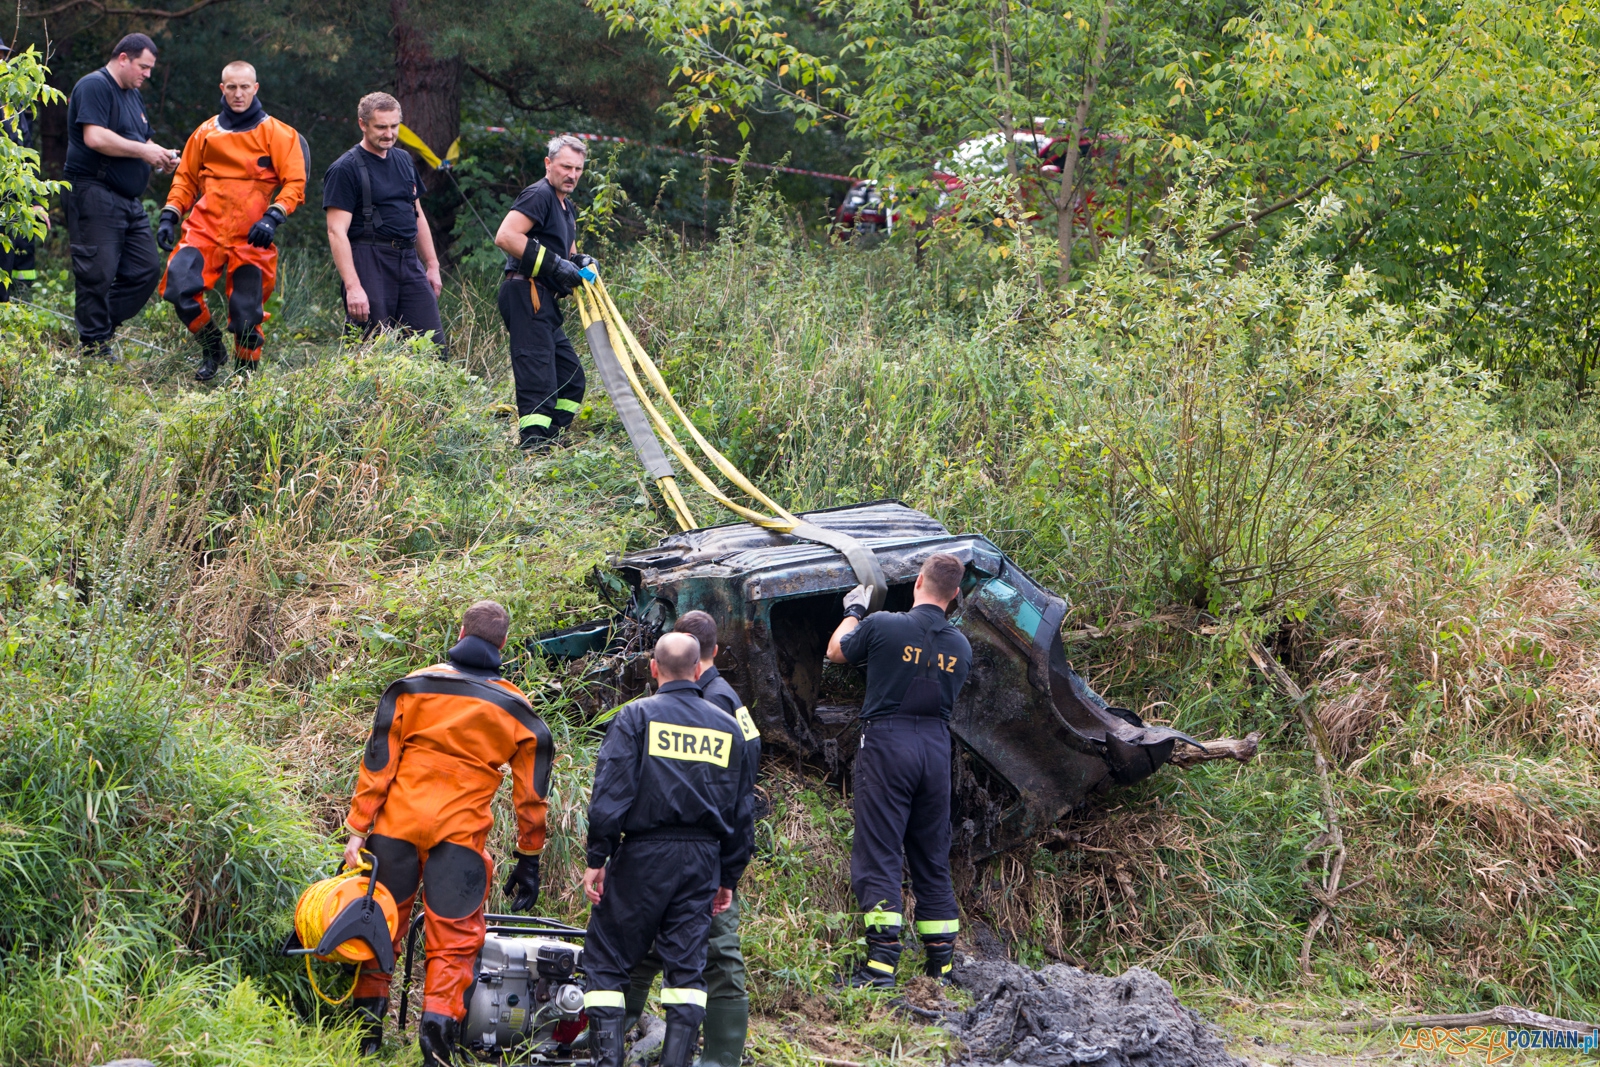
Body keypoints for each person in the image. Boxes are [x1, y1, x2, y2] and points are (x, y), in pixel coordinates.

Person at [341, 600, 553, 1064]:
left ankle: (365, 1038)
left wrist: (358, 828)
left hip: (394, 830)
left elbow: (378, 761)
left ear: (460, 631)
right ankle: (434, 1045)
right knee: (455, 941)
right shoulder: (517, 709)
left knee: (379, 921)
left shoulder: (412, 687)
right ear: (502, 644)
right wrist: (529, 856)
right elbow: (531, 795)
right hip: (458, 840)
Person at [582, 632, 756, 1067]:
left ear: (654, 668)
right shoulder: (729, 727)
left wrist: (596, 858)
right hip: (702, 861)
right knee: (687, 970)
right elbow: (742, 810)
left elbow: (610, 793)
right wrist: (728, 876)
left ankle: (608, 1061)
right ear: (699, 669)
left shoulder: (637, 716)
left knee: (606, 959)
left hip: (644, 855)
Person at [825, 553, 972, 988]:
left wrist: (854, 611)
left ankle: (881, 965)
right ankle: (941, 966)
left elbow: (836, 652)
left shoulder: (884, 624)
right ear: (956, 594)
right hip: (935, 750)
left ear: (919, 581)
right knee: (931, 854)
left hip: (889, 744)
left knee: (881, 848)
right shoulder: (960, 647)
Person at [156, 61, 308, 381]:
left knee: (246, 316)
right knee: (178, 286)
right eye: (231, 87)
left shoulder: (279, 134)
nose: (238, 94)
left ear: (256, 88)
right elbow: (185, 179)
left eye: (244, 87)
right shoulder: (205, 132)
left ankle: (242, 385)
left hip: (253, 235)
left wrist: (273, 216)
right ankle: (212, 347)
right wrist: (171, 213)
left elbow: (295, 182)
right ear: (222, 89)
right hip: (205, 228)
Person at [63, 32, 179, 358]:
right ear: (123, 58)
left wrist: (162, 156)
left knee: (145, 271)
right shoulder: (95, 86)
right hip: (94, 192)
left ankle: (98, 329)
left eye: (151, 69)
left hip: (128, 201)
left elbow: (143, 141)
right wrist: (144, 151)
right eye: (144, 67)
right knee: (96, 275)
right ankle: (94, 348)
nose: (148, 74)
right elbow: (95, 137)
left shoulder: (133, 95)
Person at [491, 135, 596, 451]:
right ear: (549, 164)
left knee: (571, 379)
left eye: (578, 169)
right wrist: (554, 265)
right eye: (566, 166)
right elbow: (506, 236)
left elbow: (569, 254)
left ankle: (552, 441)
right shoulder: (539, 194)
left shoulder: (567, 206)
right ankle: (533, 453)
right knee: (539, 383)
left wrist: (582, 262)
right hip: (526, 294)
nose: (572, 175)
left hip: (546, 302)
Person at [323, 92, 446, 355]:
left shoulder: (403, 159)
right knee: (371, 349)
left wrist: (433, 265)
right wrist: (353, 286)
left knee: (432, 348)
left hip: (407, 259)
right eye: (381, 127)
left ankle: (433, 397)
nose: (389, 134)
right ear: (362, 124)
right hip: (369, 259)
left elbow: (418, 213)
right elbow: (336, 231)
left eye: (394, 126)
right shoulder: (344, 168)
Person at [0, 39, 41, 304]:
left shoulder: (11, 106)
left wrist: (35, 201)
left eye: (3, 57)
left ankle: (12, 311)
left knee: (9, 259)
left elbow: (25, 153)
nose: (1, 63)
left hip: (10, 204)